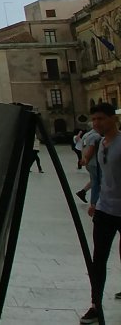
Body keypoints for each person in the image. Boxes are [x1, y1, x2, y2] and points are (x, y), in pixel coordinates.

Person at [83, 103, 121, 324]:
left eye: (101, 119)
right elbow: (99, 178)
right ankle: (95, 304)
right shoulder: (98, 143)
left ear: (112, 119)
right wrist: (94, 202)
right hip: (105, 209)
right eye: (94, 119)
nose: (96, 123)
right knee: (98, 260)